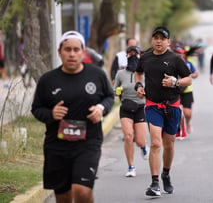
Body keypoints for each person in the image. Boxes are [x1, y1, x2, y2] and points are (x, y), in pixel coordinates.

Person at [31, 31, 114, 203]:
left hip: (88, 143)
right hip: (57, 146)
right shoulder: (47, 80)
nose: (72, 54)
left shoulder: (96, 75)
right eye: (67, 49)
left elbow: (109, 97)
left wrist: (100, 108)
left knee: (82, 191)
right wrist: (51, 114)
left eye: (76, 49)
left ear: (83, 52)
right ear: (59, 51)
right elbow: (36, 109)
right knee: (63, 197)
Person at [135, 26, 192, 197]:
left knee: (169, 145)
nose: (159, 41)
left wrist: (175, 82)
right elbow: (138, 73)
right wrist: (139, 86)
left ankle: (166, 174)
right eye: (156, 38)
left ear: (168, 41)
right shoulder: (145, 57)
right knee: (155, 143)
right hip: (153, 105)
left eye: (162, 38)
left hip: (173, 105)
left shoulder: (175, 59)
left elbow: (188, 79)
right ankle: (154, 183)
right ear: (152, 40)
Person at [113, 45, 149, 177]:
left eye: (136, 53)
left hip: (141, 107)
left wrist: (146, 93)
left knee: (139, 140)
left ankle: (144, 147)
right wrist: (117, 91)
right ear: (126, 56)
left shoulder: (145, 72)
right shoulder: (120, 73)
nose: (133, 55)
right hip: (126, 107)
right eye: (130, 53)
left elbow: (152, 89)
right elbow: (114, 89)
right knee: (128, 137)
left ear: (140, 56)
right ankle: (131, 167)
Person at [174, 46, 198, 139]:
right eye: (178, 54)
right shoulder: (172, 63)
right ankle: (179, 130)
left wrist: (191, 76)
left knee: (187, 114)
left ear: (184, 55)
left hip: (187, 91)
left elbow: (195, 73)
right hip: (176, 91)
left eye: (181, 54)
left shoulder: (188, 64)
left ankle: (188, 123)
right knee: (179, 112)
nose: (180, 55)